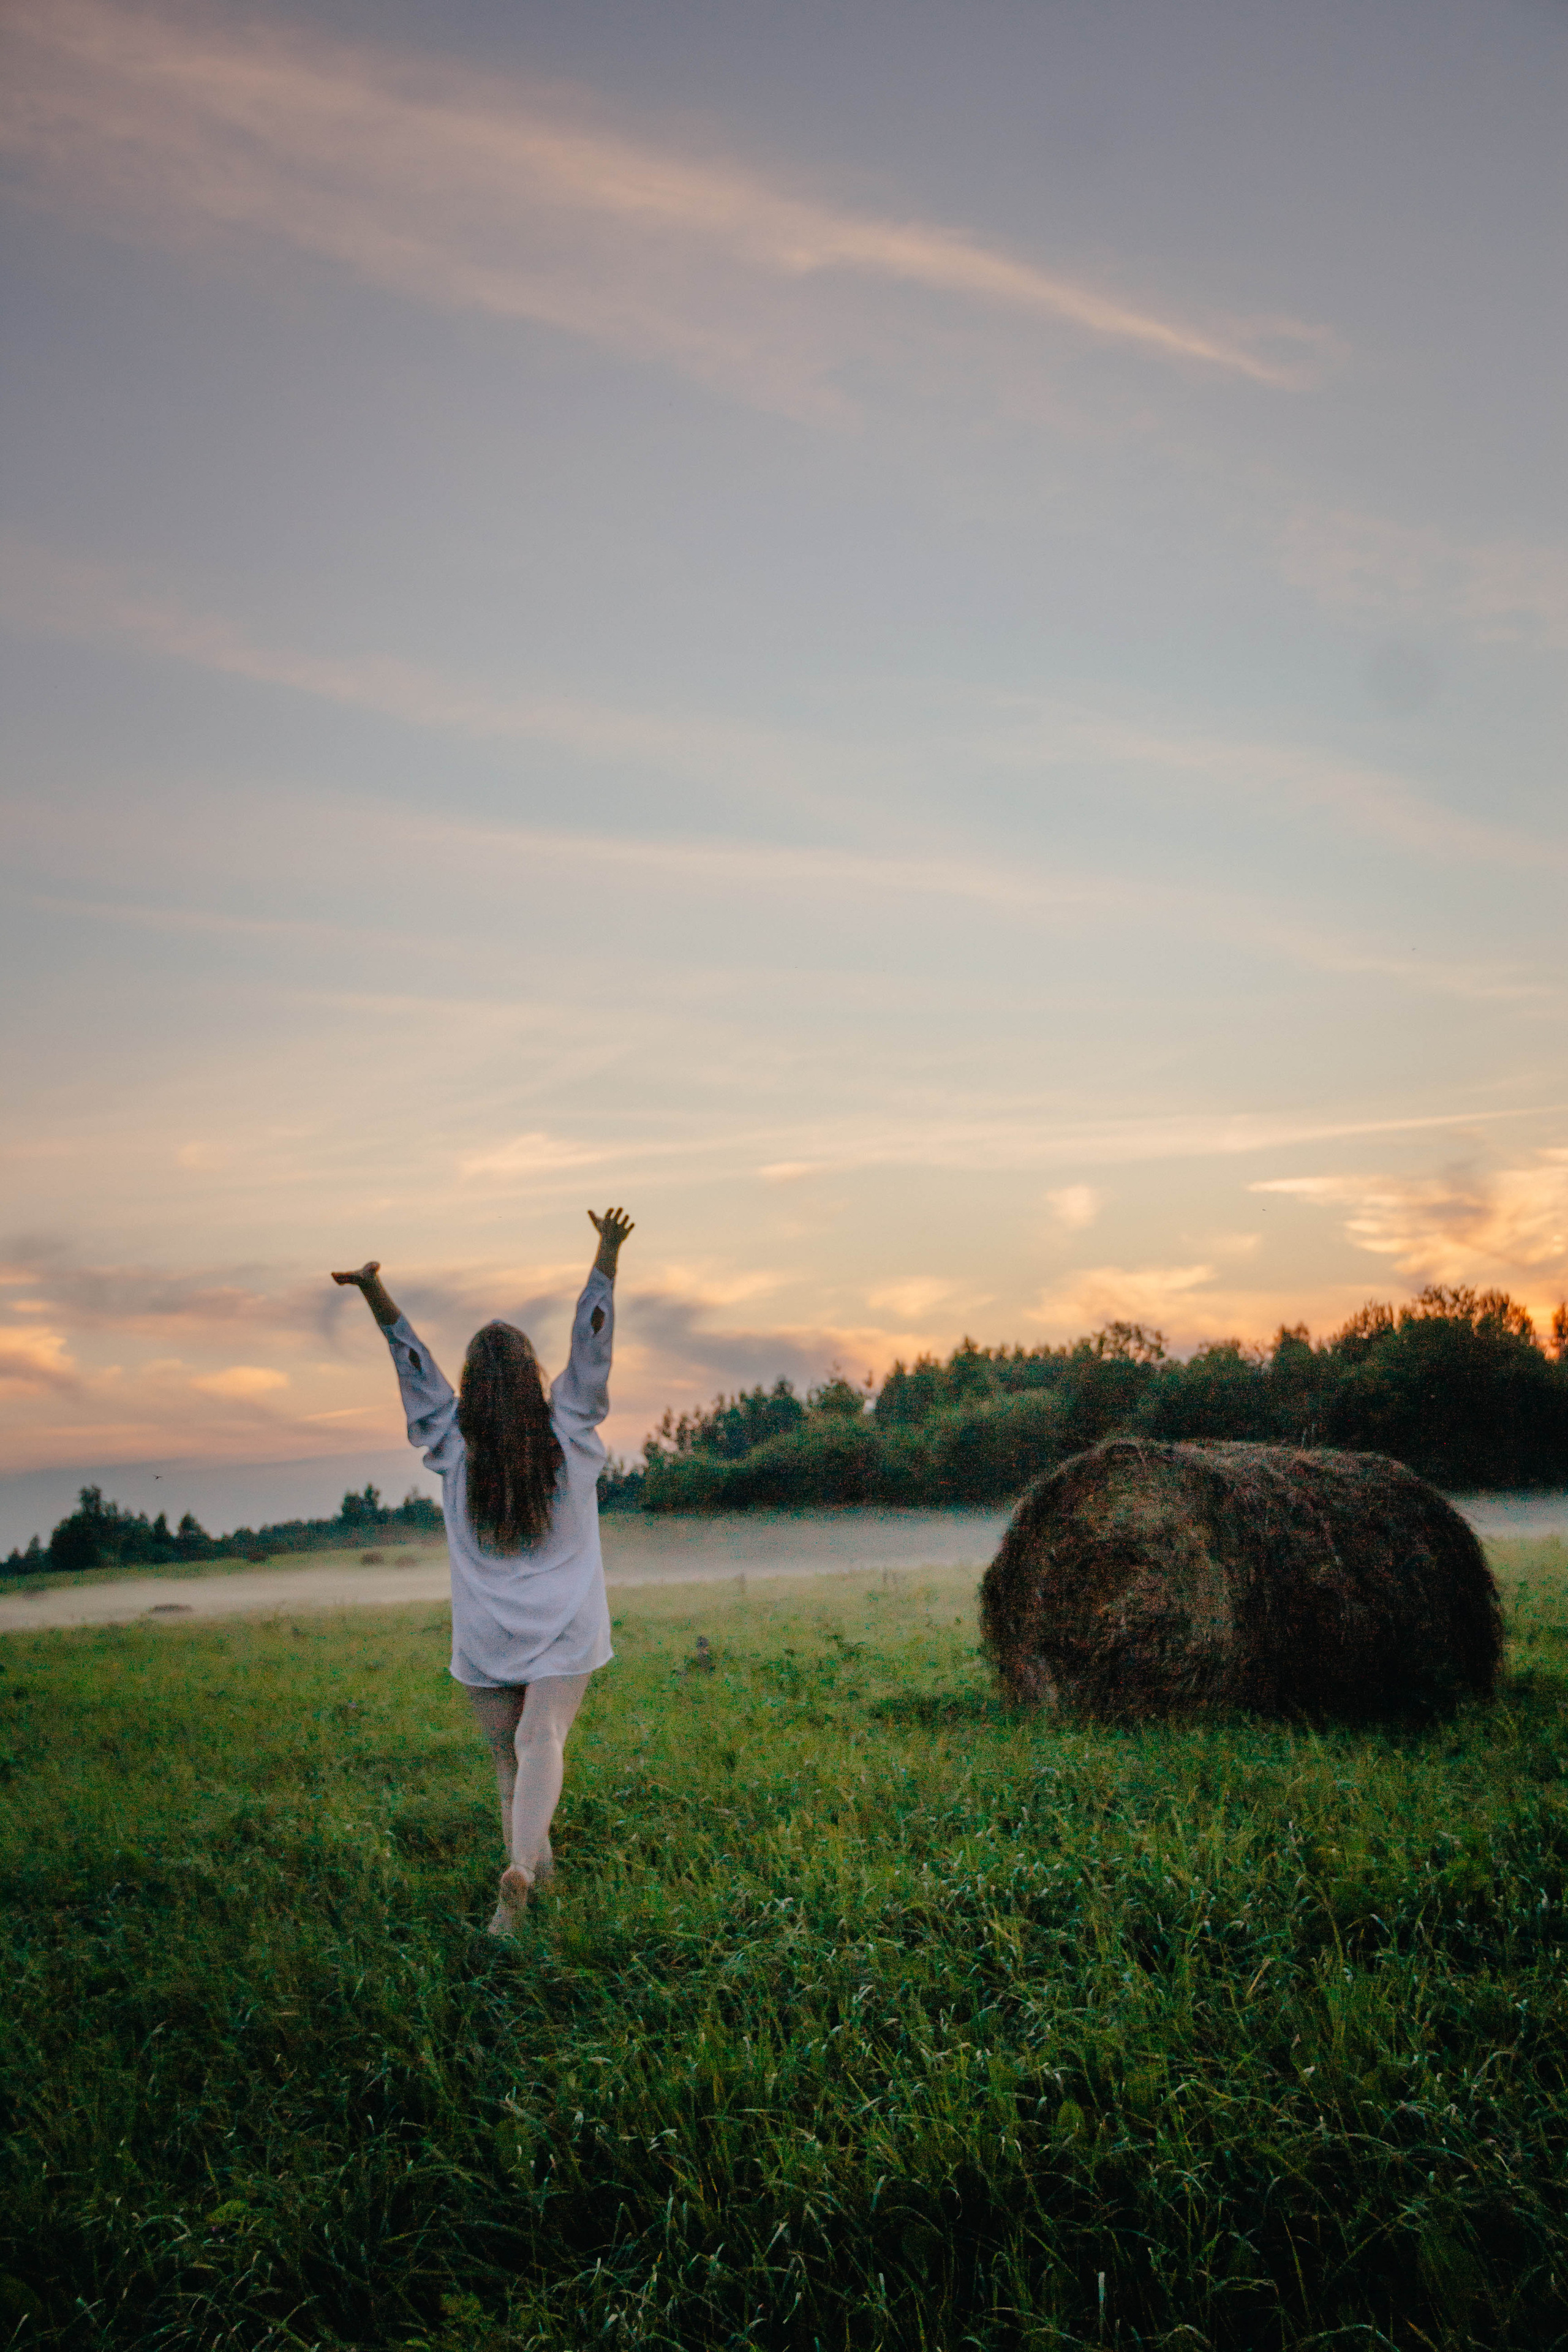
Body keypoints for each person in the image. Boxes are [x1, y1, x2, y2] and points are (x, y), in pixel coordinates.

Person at [331, 1208, 633, 1935]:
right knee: (543, 1744)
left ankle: (530, 1885)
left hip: (489, 1630)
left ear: (473, 1382)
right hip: (564, 1623)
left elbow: (416, 1371)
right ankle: (526, 1873)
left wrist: (376, 1295)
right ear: (531, 1375)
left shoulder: (455, 1446)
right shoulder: (567, 1430)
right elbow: (590, 1353)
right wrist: (606, 1256)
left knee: (511, 1765)